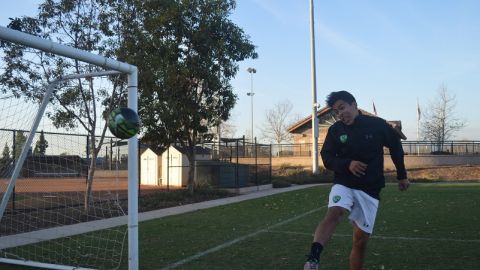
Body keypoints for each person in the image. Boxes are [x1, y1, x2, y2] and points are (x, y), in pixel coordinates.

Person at [304, 91, 410, 270]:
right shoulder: (335, 130)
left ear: (354, 104)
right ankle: (313, 258)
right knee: (334, 212)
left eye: (342, 108)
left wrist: (402, 175)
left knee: (360, 241)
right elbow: (327, 157)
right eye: (336, 112)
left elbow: (395, 147)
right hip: (344, 183)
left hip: (370, 188)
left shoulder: (376, 125)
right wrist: (347, 164)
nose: (340, 114)